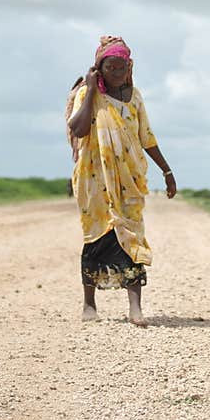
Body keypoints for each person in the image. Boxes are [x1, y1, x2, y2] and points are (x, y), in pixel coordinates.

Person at [66, 36, 176, 327]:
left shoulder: (135, 97)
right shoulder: (87, 94)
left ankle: (135, 307)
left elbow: (147, 138)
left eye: (122, 67)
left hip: (130, 179)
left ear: (129, 68)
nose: (116, 73)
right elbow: (78, 128)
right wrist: (89, 90)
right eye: (110, 67)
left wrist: (166, 171)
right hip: (94, 179)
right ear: (99, 68)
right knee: (96, 236)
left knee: (132, 236)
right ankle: (89, 303)